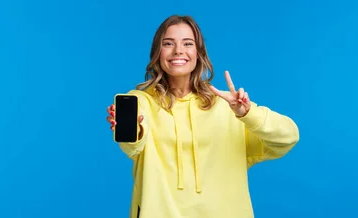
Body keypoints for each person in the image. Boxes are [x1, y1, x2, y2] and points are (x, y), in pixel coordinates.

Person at [106, 15, 300, 218]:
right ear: (157, 52)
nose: (178, 50)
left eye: (187, 43)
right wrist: (134, 131)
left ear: (198, 53)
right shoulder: (141, 101)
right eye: (168, 43)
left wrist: (248, 114)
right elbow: (133, 146)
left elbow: (288, 137)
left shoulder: (227, 106)